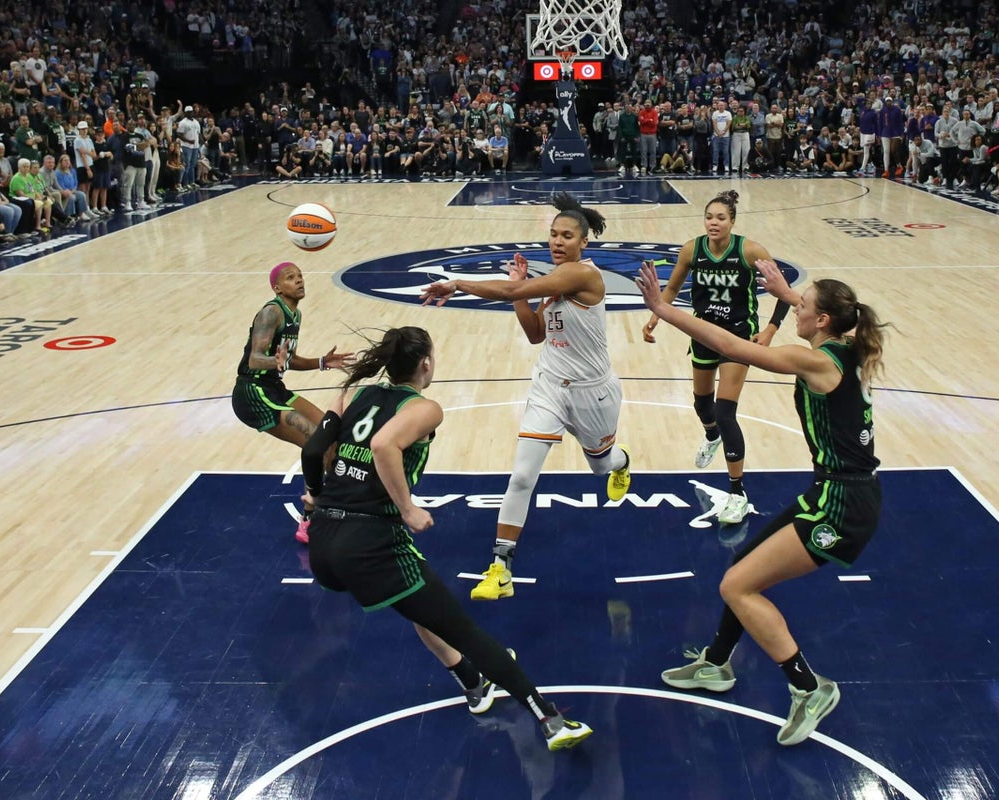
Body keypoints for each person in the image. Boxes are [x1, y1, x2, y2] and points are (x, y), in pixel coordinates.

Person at [298, 325, 594, 751]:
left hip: (325, 543)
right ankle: (549, 719)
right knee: (466, 631)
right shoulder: (425, 408)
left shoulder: (352, 394)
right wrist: (408, 508)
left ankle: (472, 684)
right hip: (371, 543)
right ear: (426, 364)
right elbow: (383, 446)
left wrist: (315, 496)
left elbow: (312, 451)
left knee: (420, 602)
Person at [636, 258, 888, 747]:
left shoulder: (814, 360)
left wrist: (663, 309)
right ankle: (716, 663)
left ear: (821, 321)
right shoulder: (847, 344)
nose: (796, 306)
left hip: (843, 504)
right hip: (837, 491)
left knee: (738, 586)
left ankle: (808, 687)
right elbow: (820, 317)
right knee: (743, 561)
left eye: (803, 304)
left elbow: (733, 347)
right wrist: (787, 293)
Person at [420, 193, 631, 601]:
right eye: (553, 234)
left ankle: (622, 462)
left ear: (583, 242)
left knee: (601, 467)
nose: (557, 242)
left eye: (566, 236)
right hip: (550, 385)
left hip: (593, 393)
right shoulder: (554, 283)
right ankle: (501, 568)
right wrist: (520, 291)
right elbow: (536, 334)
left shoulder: (583, 276)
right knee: (520, 477)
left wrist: (461, 282)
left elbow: (505, 293)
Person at [641, 190, 789, 524]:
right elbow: (673, 289)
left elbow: (782, 289)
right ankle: (712, 437)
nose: (714, 223)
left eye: (721, 218)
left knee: (725, 412)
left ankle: (737, 492)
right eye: (709, 217)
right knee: (702, 406)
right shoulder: (692, 249)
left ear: (732, 222)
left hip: (738, 337)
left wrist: (770, 330)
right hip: (703, 333)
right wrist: (655, 317)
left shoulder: (750, 250)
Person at [232, 262, 352, 543]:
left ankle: (339, 502)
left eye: (300, 276)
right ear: (277, 288)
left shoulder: (294, 314)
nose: (299, 280)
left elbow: (289, 359)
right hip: (253, 393)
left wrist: (321, 362)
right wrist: (274, 360)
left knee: (330, 431)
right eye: (290, 278)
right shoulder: (271, 313)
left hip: (274, 387)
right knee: (314, 440)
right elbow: (255, 359)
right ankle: (310, 518)